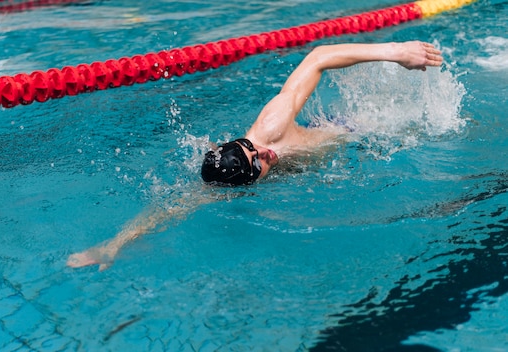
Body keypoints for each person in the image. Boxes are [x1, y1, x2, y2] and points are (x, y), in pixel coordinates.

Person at [67, 41, 443, 269]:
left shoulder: (271, 127)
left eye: (253, 151)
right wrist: (112, 245)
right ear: (243, 183)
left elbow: (318, 56)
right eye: (257, 165)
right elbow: (169, 209)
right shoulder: (223, 183)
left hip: (354, 128)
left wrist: (394, 54)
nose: (265, 155)